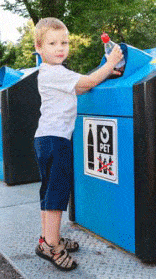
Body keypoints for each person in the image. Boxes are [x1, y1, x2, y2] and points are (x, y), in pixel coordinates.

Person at [33, 17, 124, 271]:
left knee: (48, 192)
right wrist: (110, 63)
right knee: (57, 195)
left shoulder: (53, 73)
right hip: (55, 141)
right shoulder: (55, 72)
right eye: (52, 43)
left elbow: (80, 89)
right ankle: (52, 247)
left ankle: (47, 239)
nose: (60, 47)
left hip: (46, 139)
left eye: (64, 42)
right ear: (39, 48)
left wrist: (106, 74)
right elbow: (88, 83)